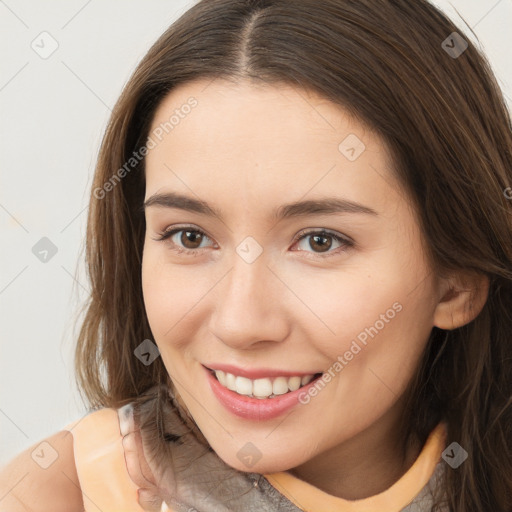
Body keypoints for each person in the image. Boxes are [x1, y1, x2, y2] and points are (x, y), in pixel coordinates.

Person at [1, 0, 511, 510]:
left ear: (456, 281)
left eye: (320, 241)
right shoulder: (63, 494)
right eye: (190, 237)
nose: (241, 323)